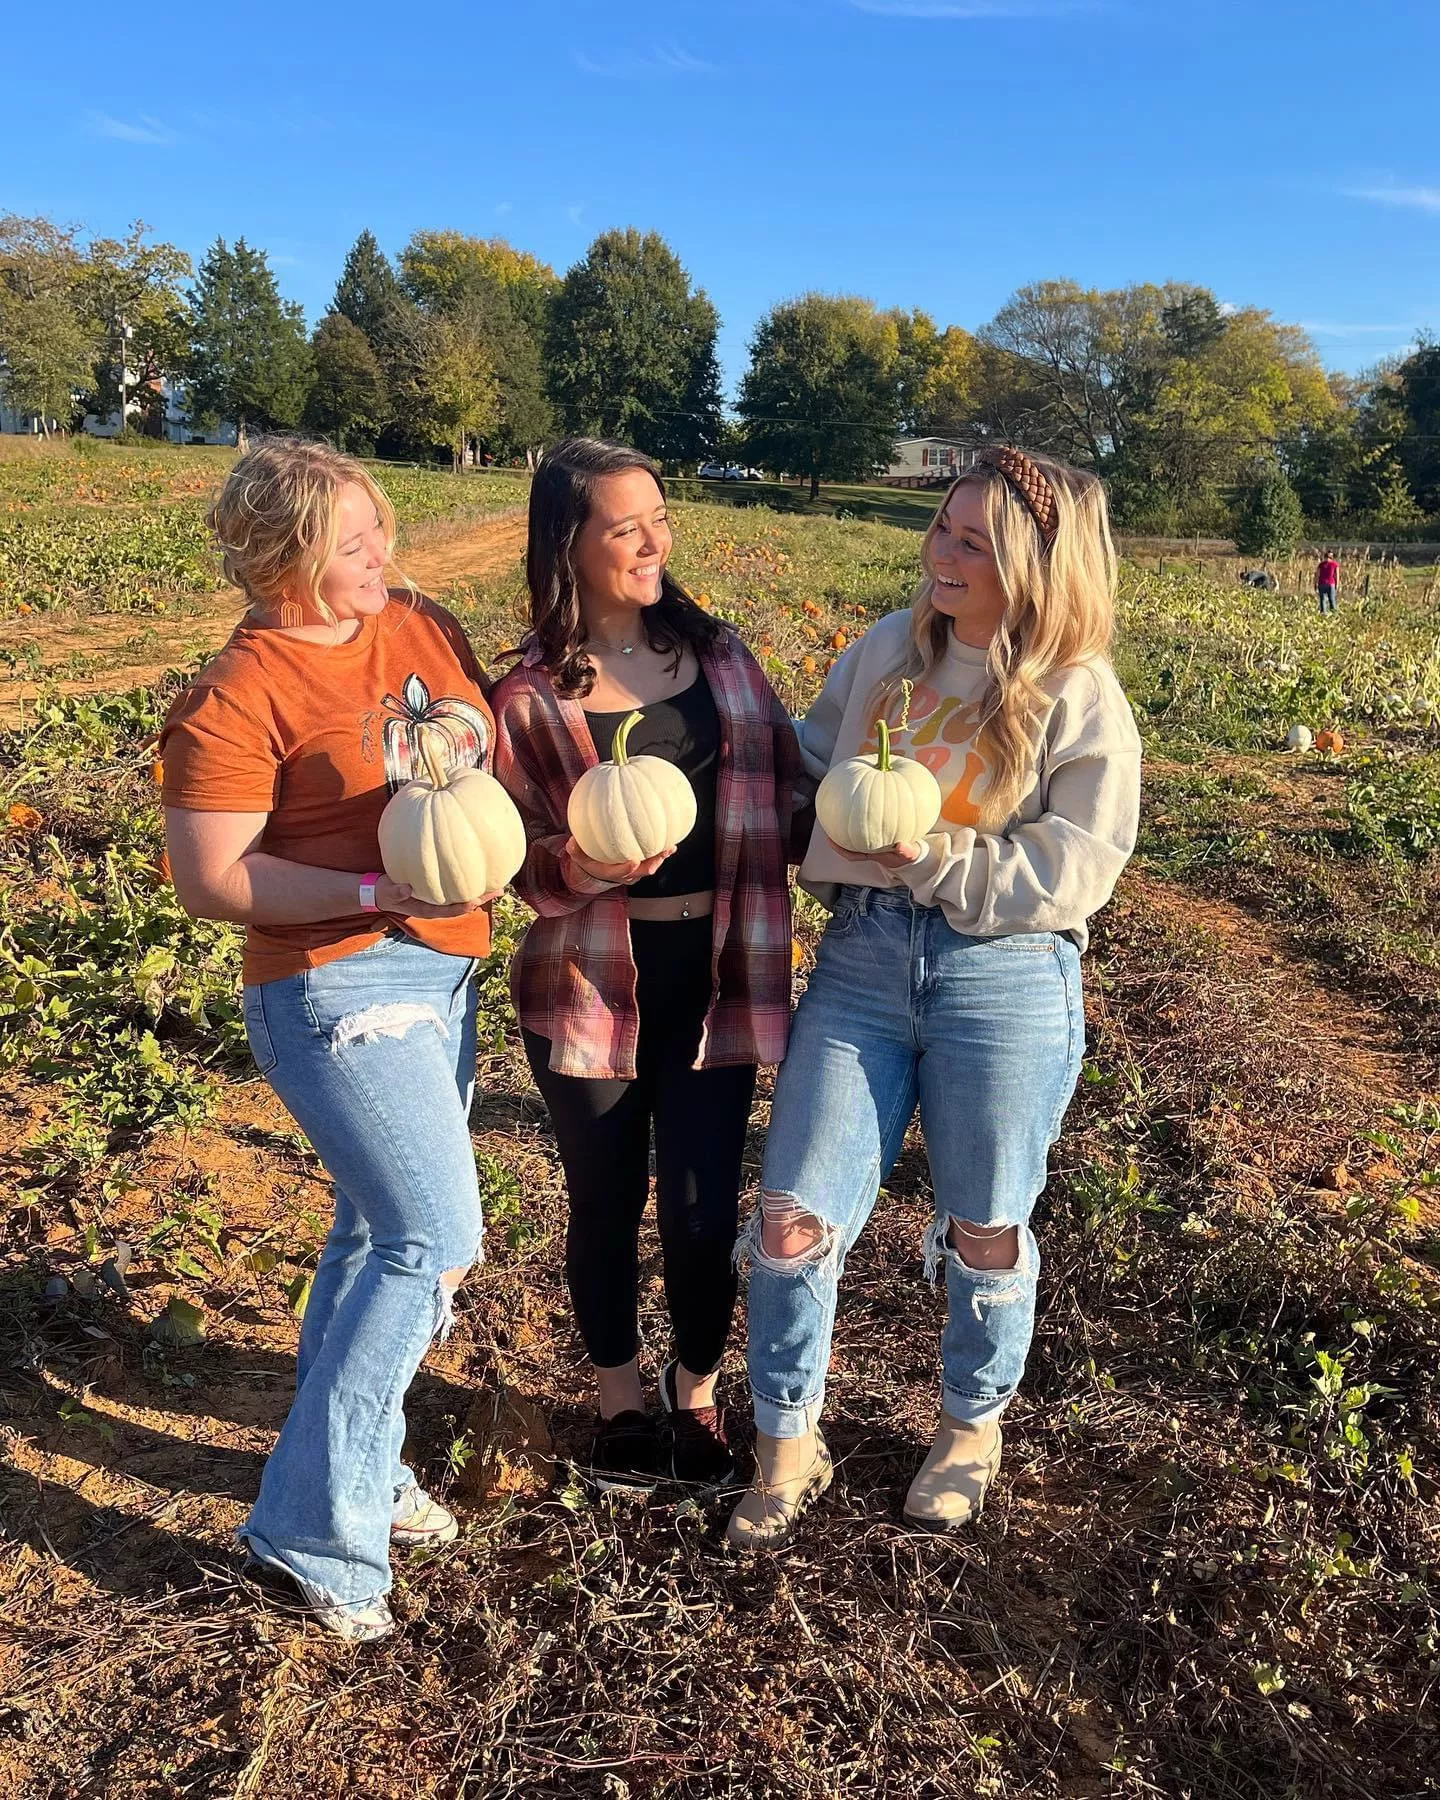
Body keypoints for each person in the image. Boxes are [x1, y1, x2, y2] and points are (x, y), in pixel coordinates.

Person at [727, 447, 1142, 1549]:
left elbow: (1078, 863)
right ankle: (786, 1438)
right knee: (790, 1215)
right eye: (942, 529)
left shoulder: (1075, 693)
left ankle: (970, 1429)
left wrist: (934, 857)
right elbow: (809, 765)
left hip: (1003, 972)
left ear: (1034, 565)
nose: (942, 554)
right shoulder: (885, 655)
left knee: (986, 1222)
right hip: (863, 959)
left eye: (973, 541)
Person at [161, 438, 500, 1641]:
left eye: (378, 532)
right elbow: (212, 878)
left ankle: (361, 1467)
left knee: (372, 1234)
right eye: (352, 544)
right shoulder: (236, 692)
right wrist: (375, 889)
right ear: (284, 557)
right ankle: (314, 1535)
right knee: (429, 1236)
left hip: (446, 964)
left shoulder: (417, 623)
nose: (382, 556)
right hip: (335, 982)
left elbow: (480, 739)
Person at [491, 437, 803, 1495]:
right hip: (587, 983)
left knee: (707, 1206)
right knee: (607, 1197)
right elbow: (506, 861)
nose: (652, 542)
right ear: (567, 546)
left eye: (658, 517)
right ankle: (622, 1399)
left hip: (718, 971)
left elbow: (794, 796)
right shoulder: (529, 696)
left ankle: (696, 1391)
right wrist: (574, 862)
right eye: (624, 528)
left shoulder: (722, 658)